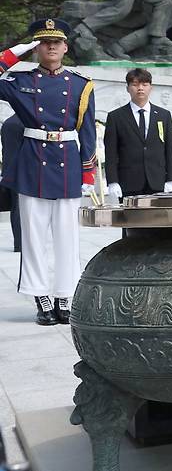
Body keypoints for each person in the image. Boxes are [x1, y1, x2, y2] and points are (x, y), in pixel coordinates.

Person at [0, 19, 96, 325]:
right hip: (32, 163)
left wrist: (87, 173)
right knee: (33, 236)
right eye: (43, 42)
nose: (51, 46)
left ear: (66, 47)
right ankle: (40, 295)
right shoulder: (21, 82)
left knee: (67, 237)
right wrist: (17, 51)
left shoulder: (81, 85)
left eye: (56, 42)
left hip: (67, 161)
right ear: (37, 48)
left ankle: (64, 296)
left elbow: (88, 131)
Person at [104, 68, 172, 201]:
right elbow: (111, 152)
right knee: (130, 220)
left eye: (144, 84)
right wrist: (112, 181)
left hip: (157, 182)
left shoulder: (163, 115)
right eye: (135, 84)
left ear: (151, 88)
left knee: (157, 220)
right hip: (128, 182)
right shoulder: (116, 117)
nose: (140, 88)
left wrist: (171, 179)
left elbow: (170, 149)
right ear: (127, 88)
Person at [0, 115, 24, 252]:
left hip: (9, 170)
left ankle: (18, 243)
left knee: (16, 208)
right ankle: (22, 243)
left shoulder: (8, 123)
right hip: (24, 170)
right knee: (21, 208)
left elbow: (4, 149)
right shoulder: (26, 123)